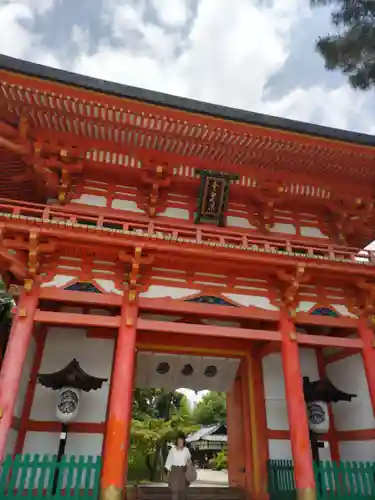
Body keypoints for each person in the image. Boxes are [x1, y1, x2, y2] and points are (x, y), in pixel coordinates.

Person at [165, 433, 191, 500]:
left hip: (183, 471)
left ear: (184, 441)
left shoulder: (186, 450)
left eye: (182, 441)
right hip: (174, 471)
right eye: (179, 441)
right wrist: (168, 472)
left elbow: (189, 461)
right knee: (174, 490)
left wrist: (189, 467)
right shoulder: (172, 450)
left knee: (182, 491)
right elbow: (169, 461)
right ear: (176, 441)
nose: (180, 442)